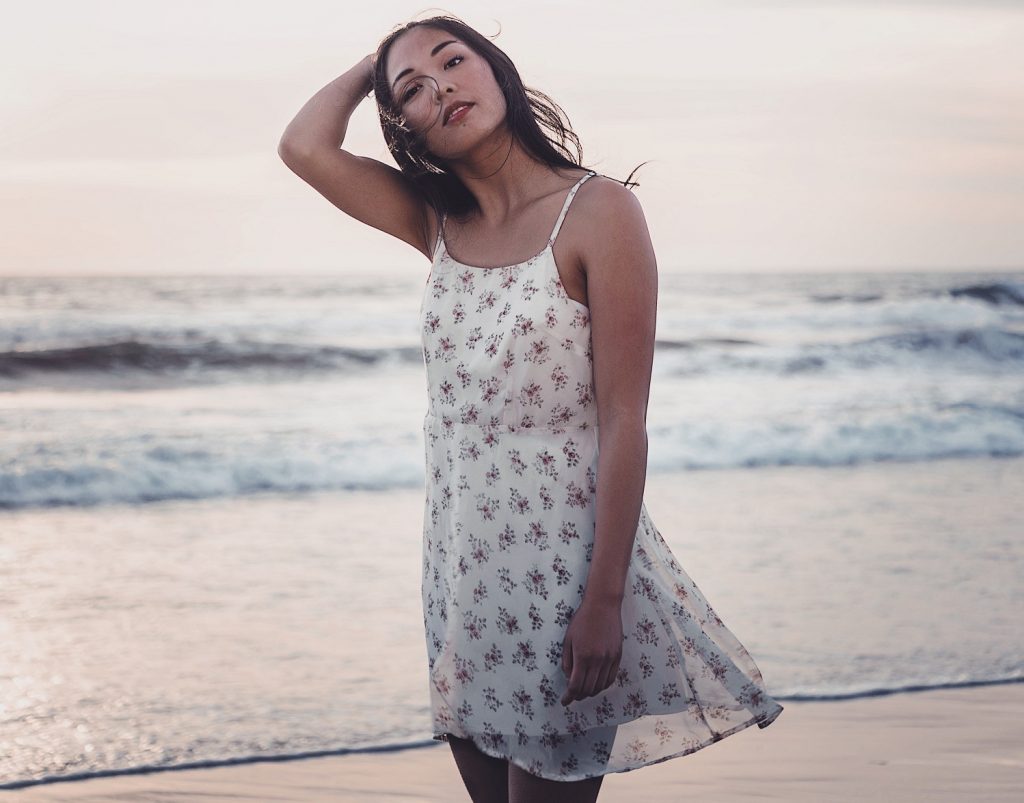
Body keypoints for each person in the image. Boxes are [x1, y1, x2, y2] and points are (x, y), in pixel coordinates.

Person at [278, 15, 784, 803]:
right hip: (460, 566)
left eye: (453, 62)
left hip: (566, 570)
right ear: (404, 129)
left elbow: (624, 419)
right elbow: (304, 147)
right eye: (410, 90)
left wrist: (605, 599)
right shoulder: (439, 223)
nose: (438, 86)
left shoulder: (600, 212)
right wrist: (375, 63)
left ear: (499, 72)